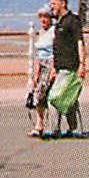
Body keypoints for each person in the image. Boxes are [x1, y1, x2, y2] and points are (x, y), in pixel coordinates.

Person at [47, 0, 85, 136]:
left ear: (63, 4)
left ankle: (55, 130)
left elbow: (79, 42)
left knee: (54, 98)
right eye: (51, 4)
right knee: (68, 98)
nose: (52, 7)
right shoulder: (59, 22)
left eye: (54, 4)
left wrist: (82, 64)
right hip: (59, 66)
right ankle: (73, 128)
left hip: (70, 66)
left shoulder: (72, 20)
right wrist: (53, 67)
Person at [26, 9, 57, 137]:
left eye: (46, 17)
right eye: (41, 17)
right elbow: (38, 54)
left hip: (50, 63)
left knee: (41, 93)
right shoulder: (41, 32)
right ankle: (39, 125)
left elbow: (56, 50)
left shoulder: (53, 31)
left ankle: (46, 125)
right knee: (37, 93)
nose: (43, 20)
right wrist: (35, 71)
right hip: (41, 64)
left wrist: (54, 68)